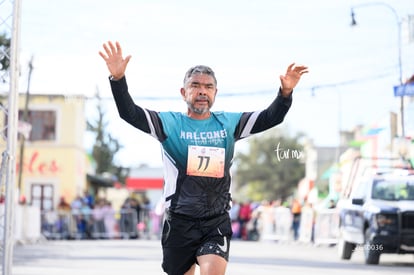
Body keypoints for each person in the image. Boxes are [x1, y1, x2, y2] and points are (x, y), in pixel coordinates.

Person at [99, 41, 308, 275]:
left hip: (215, 220)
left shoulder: (229, 124)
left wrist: (285, 92)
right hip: (179, 222)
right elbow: (129, 113)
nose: (202, 91)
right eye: (195, 85)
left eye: (208, 87)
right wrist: (118, 80)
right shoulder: (169, 124)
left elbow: (271, 117)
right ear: (183, 92)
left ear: (215, 93)